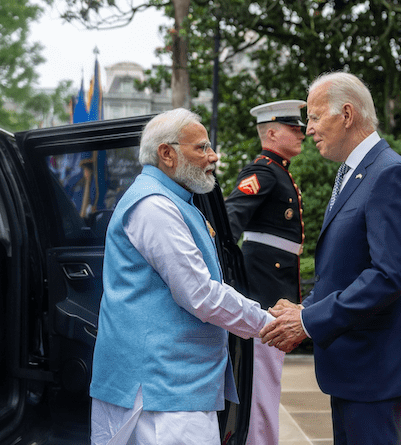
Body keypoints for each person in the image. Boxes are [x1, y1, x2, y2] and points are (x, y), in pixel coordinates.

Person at [260, 72, 401, 445]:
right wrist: (305, 308)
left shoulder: (390, 174)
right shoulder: (355, 172)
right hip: (358, 364)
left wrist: (308, 320)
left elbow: (387, 277)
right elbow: (347, 267)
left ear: (348, 114)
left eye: (316, 117)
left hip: (374, 366)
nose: (308, 130)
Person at [89, 108, 275, 445]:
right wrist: (268, 324)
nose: (213, 156)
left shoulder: (174, 200)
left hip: (172, 385)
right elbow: (200, 294)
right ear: (167, 153)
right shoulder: (155, 206)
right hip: (164, 391)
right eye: (201, 148)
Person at [224, 99, 307, 445]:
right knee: (261, 386)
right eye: (294, 128)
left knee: (266, 384)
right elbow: (228, 220)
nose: (302, 133)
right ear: (271, 132)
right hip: (263, 292)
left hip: (272, 286)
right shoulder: (264, 171)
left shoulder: (278, 170)